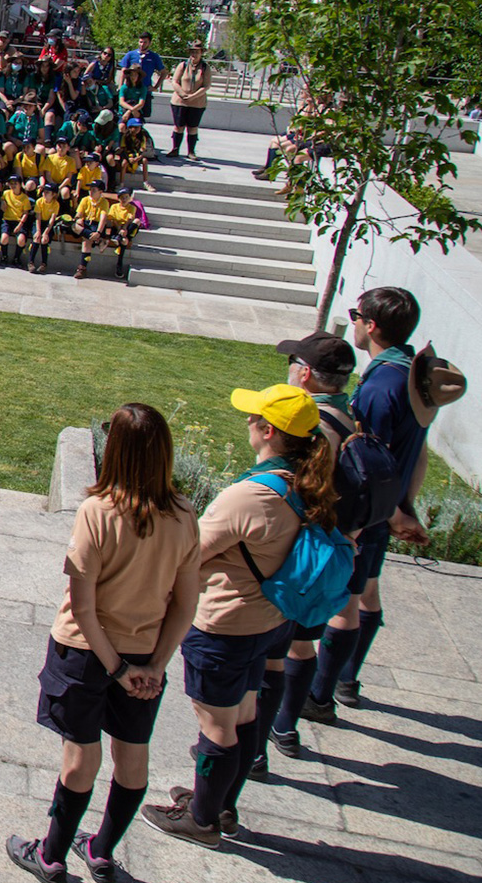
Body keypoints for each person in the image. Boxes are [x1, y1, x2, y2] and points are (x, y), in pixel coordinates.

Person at [6, 403, 199, 883]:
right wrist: (153, 665)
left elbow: (84, 606)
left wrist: (115, 668)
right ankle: (101, 850)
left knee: (81, 758)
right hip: (144, 656)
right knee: (133, 760)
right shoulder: (184, 516)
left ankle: (50, 857)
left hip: (86, 654)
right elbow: (185, 605)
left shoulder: (97, 512)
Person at [140, 384, 331, 847]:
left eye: (253, 417)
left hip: (225, 626)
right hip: (271, 621)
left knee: (217, 727)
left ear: (269, 430)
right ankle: (222, 803)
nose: (246, 422)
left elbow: (188, 556)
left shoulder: (251, 497)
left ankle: (202, 820)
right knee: (244, 717)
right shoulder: (306, 481)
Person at [304, 288, 431, 718]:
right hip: (388, 508)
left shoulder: (380, 386)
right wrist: (405, 507)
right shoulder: (411, 372)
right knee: (368, 592)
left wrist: (384, 516)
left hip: (368, 513)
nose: (354, 321)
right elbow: (420, 450)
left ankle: (318, 697)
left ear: (371, 325)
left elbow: (369, 463)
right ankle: (346, 679)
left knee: (347, 600)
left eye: (357, 315)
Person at [252, 331, 356, 777]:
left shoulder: (318, 427)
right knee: (297, 643)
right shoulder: (348, 415)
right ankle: (286, 728)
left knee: (276, 652)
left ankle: (259, 747)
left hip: (300, 557)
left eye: (292, 362)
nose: (289, 368)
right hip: (330, 550)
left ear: (306, 373)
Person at [167, 41, 211, 159]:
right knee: (178, 126)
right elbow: (175, 81)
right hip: (180, 101)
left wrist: (193, 96)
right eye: (192, 52)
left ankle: (191, 151)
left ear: (201, 53)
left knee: (192, 127)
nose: (194, 55)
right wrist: (182, 93)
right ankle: (175, 149)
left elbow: (206, 86)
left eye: (197, 52)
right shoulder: (183, 65)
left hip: (197, 103)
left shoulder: (205, 68)